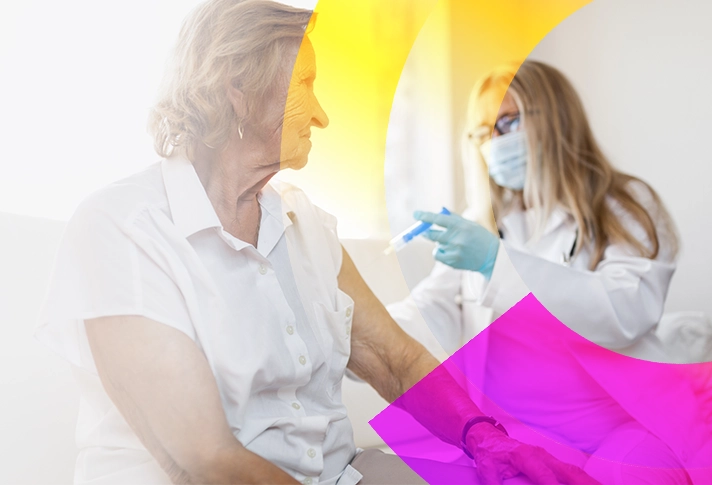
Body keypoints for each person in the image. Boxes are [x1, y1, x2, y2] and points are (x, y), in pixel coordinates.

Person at [34, 3, 598, 485]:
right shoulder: (122, 227)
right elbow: (205, 461)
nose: (323, 115)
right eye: (306, 85)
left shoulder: (305, 223)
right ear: (238, 87)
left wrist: (486, 440)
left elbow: (396, 361)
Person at [388, 61, 708, 483]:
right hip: (524, 435)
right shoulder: (485, 223)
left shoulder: (622, 206)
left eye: (509, 122)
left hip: (623, 430)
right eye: (485, 132)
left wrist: (496, 262)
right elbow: (429, 313)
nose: (496, 143)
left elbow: (622, 313)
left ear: (556, 118)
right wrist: (352, 320)